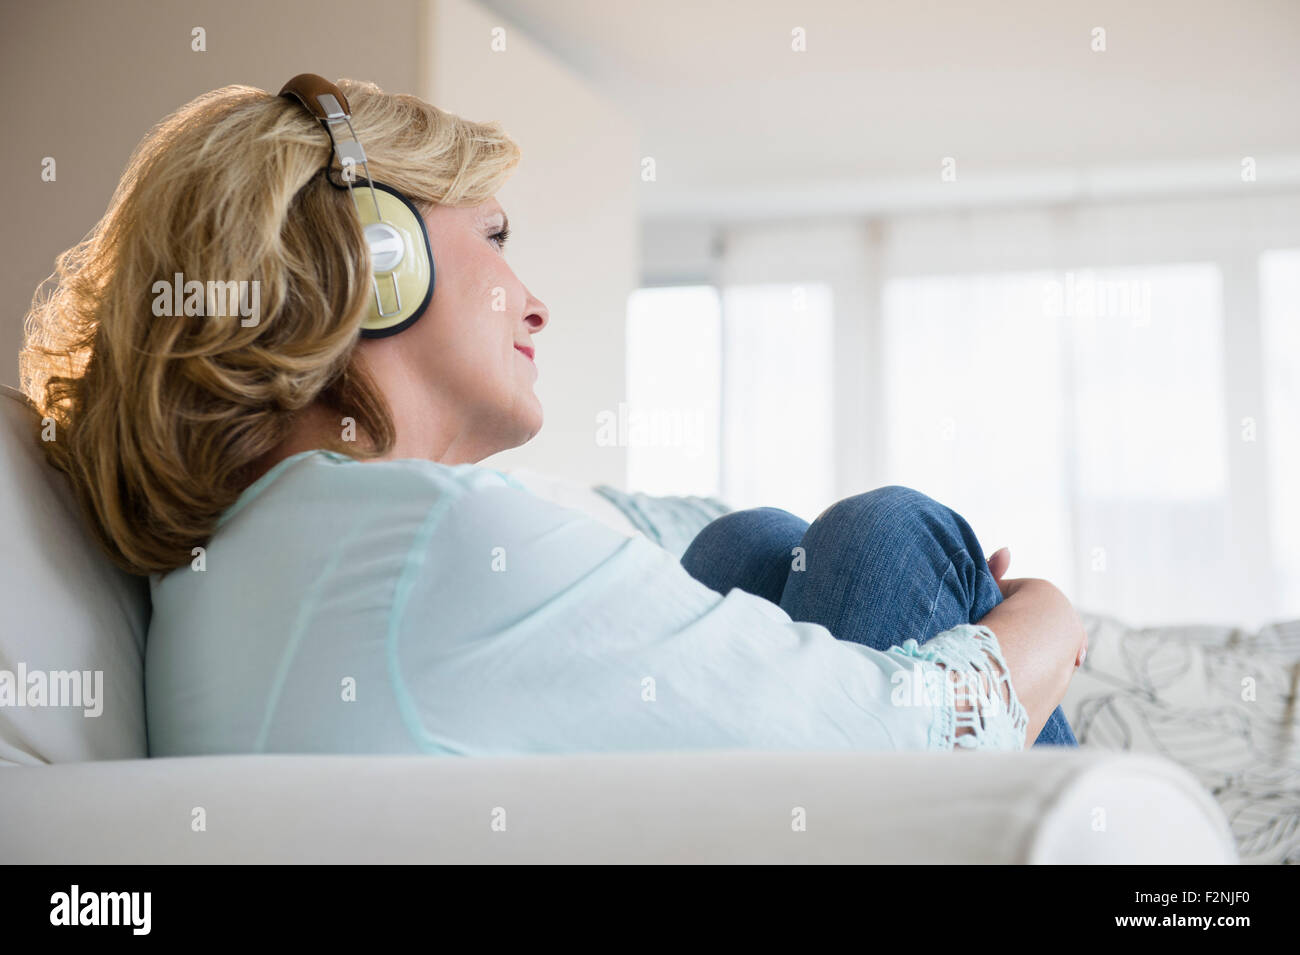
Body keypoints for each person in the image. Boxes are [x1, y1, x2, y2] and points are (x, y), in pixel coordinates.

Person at [17, 76, 1086, 758]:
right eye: (494, 234)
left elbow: (643, 529)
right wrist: (1045, 618)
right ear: (371, 257)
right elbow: (913, 741)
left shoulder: (263, 552)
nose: (534, 299)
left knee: (748, 542)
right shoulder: (437, 546)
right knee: (890, 528)